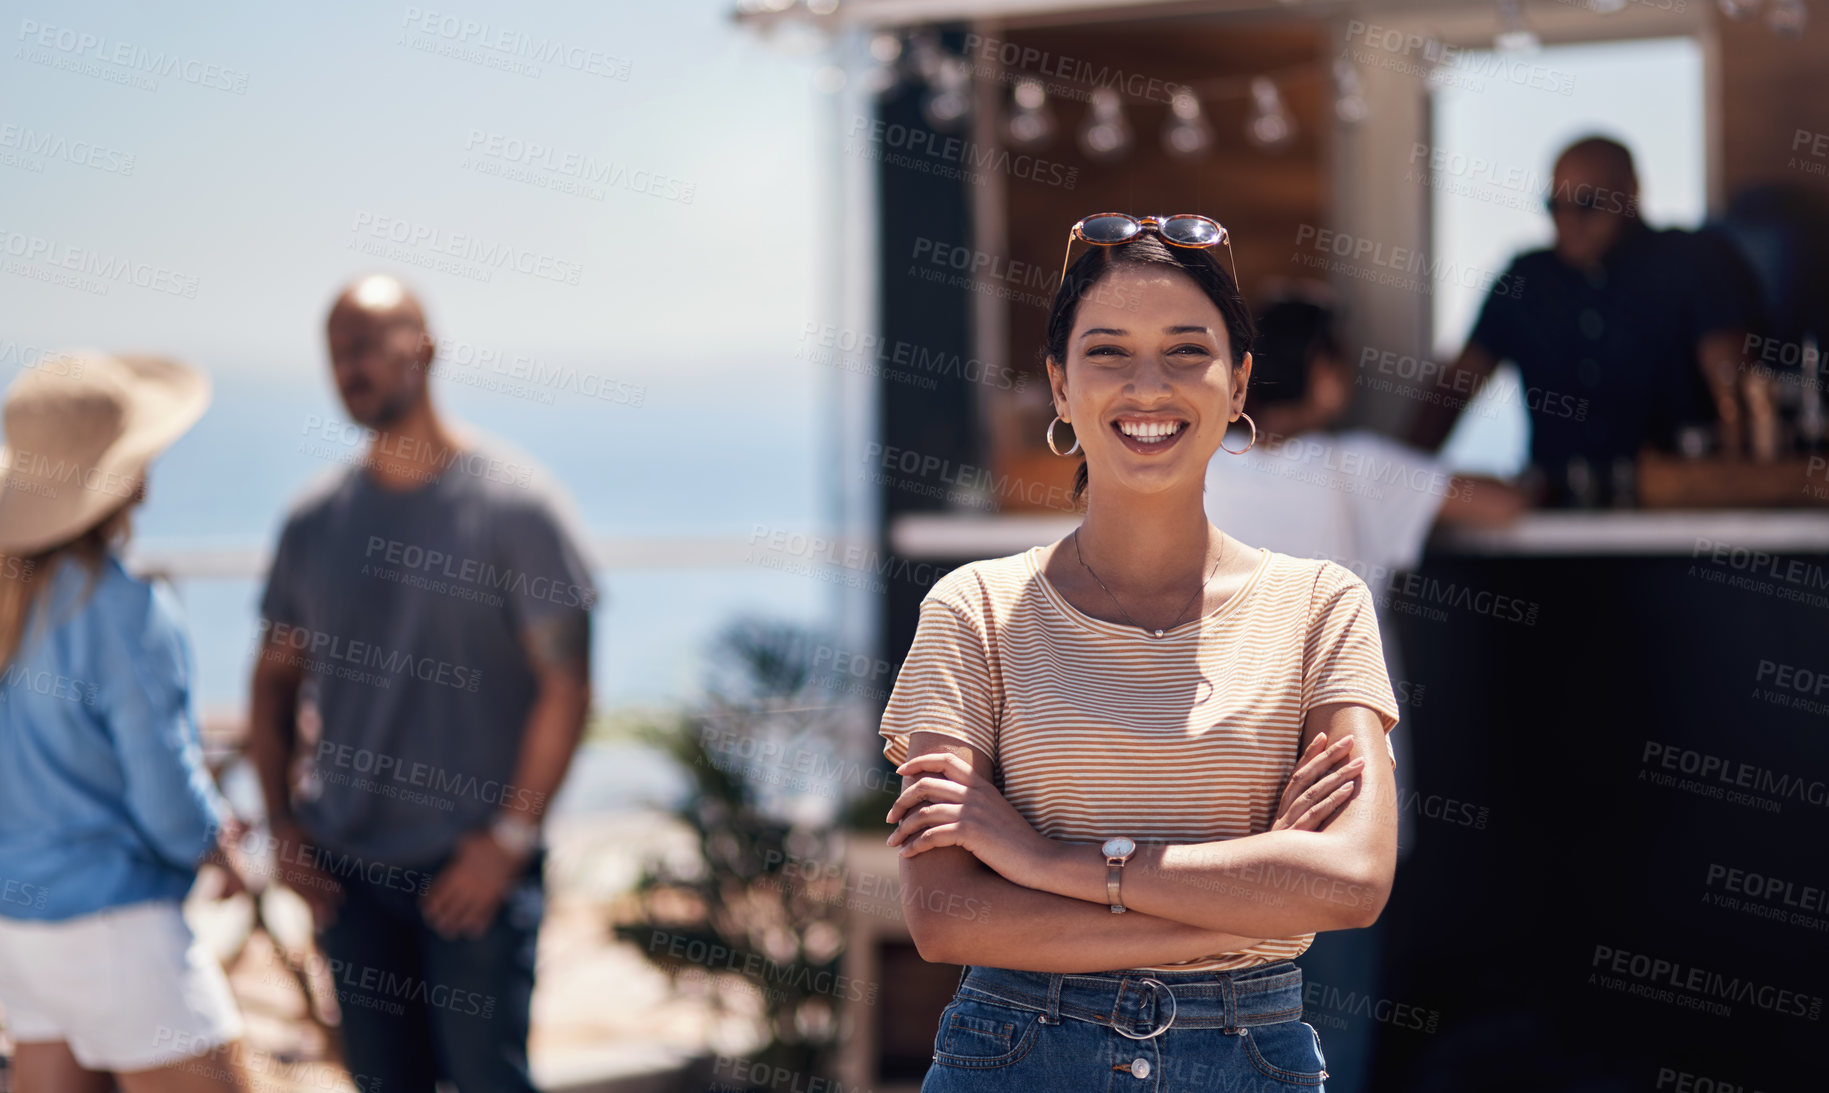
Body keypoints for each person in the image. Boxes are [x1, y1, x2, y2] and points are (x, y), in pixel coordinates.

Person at [878, 215, 1399, 1091]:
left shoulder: (1321, 606)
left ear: (1237, 384)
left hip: (1249, 1061)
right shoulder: (974, 609)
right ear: (1058, 384)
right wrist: (1254, 903)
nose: (1147, 386)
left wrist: (1046, 864)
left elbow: (1349, 881)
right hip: (1013, 1056)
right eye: (1108, 352)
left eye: (1186, 351)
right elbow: (947, 914)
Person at [247, 275, 597, 1092]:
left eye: (368, 343)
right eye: (337, 352)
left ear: (426, 349)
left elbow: (568, 685)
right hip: (349, 874)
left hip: (471, 874)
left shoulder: (518, 508)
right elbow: (272, 682)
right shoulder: (313, 521)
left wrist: (507, 841)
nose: (350, 366)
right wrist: (283, 830)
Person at [1201, 294, 1525, 1091]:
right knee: (1332, 1022)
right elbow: (1503, 505)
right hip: (1345, 780)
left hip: (1218, 782)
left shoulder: (1196, 469)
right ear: (1320, 374)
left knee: (1226, 1007)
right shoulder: (1355, 470)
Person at [0, 350, 251, 1092]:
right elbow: (166, 796)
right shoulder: (124, 610)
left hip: (19, 930)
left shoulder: (12, 602)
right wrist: (219, 843)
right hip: (117, 929)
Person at [1409, 134, 1771, 503]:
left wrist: (1734, 495)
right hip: (1556, 511)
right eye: (1556, 205)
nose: (1569, 221)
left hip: (1674, 509)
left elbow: (1737, 396)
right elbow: (1454, 389)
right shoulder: (1525, 280)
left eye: (1587, 204)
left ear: (1630, 192)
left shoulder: (1695, 261)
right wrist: (1394, 483)